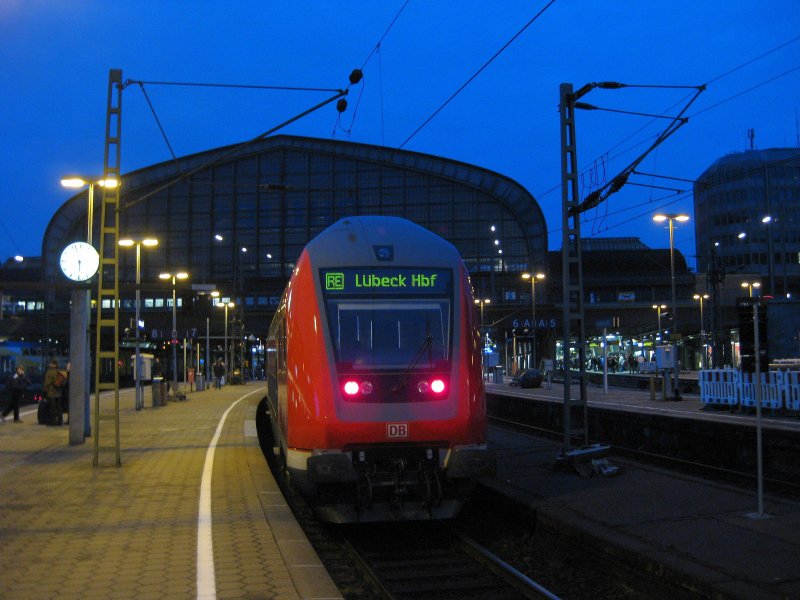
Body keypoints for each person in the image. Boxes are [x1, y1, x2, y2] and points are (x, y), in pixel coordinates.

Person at [43, 359, 67, 426]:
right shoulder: (60, 371)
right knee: (59, 408)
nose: (50, 364)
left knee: (52, 408)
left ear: (53, 364)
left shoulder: (49, 372)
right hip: (59, 393)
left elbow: (47, 382)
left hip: (51, 392)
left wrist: (44, 389)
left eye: (51, 363)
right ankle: (60, 422)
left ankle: (53, 422)